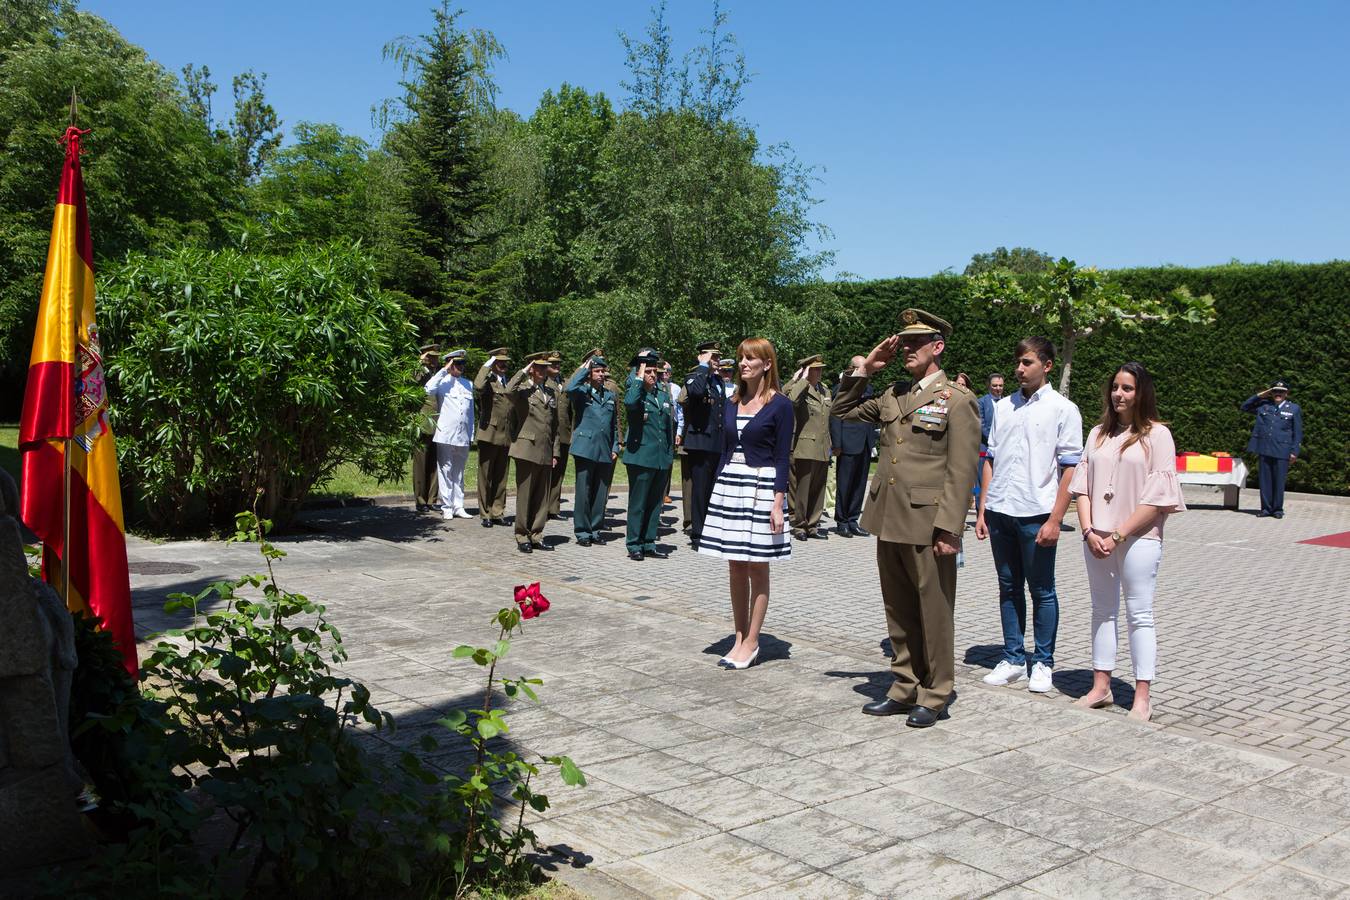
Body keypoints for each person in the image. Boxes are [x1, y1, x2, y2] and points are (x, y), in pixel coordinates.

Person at [833, 309, 980, 727]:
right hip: (889, 516)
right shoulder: (894, 393)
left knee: (933, 611)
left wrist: (951, 528)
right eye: (904, 342)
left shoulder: (957, 399)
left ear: (938, 347)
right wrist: (866, 367)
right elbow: (843, 409)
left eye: (917, 342)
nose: (908, 349)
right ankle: (903, 686)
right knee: (898, 607)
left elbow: (961, 468)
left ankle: (935, 693)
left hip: (929, 521)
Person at [1068, 362, 1185, 722]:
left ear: (1142, 393)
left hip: (1138, 538)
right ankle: (1100, 686)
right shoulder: (1098, 433)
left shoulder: (1158, 435)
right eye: (1116, 387)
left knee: (1140, 615)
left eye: (1128, 388)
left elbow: (1157, 498)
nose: (1120, 394)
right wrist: (1089, 531)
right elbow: (1082, 486)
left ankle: (1142, 697)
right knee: (1102, 611)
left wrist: (1118, 534)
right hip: (1096, 538)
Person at [975, 337, 1083, 693]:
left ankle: (1044, 662)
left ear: (1047, 366)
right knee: (1008, 587)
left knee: (1042, 590)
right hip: (1001, 511)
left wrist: (1055, 519)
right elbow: (989, 459)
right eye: (1018, 363)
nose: (1019, 369)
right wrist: (983, 509)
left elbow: (1070, 468)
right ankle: (1013, 657)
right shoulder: (1002, 407)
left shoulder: (1063, 409)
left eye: (1027, 363)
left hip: (1037, 513)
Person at [699, 338, 794, 670]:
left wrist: (778, 503)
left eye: (750, 358)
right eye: (741, 357)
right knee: (735, 564)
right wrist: (718, 489)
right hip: (731, 486)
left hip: (762, 487)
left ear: (766, 364)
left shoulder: (781, 405)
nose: (743, 363)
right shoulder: (730, 401)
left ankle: (753, 641)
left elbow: (783, 457)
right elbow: (724, 450)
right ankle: (738, 637)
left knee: (757, 565)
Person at [622, 349, 676, 561]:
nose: (654, 375)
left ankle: (648, 542)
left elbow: (668, 428)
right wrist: (638, 377)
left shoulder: (662, 395)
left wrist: (669, 454)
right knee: (639, 503)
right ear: (639, 373)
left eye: (655, 371)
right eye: (649, 371)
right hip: (641, 457)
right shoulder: (636, 394)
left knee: (655, 503)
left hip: (660, 458)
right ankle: (634, 544)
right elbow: (629, 403)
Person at [506, 352, 560, 553]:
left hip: (545, 450)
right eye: (540, 367)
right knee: (525, 495)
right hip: (526, 450)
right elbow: (507, 391)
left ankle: (537, 534)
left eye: (546, 368)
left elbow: (554, 425)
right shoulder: (523, 390)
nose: (544, 371)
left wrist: (555, 453)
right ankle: (522, 536)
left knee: (542, 497)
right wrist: (523, 372)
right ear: (532, 369)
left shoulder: (550, 392)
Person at [566, 350, 618, 546]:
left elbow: (613, 424)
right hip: (585, 447)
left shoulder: (610, 395)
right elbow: (570, 387)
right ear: (590, 373)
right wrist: (585, 367)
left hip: (605, 448)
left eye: (603, 371)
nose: (601, 374)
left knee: (600, 493)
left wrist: (614, 446)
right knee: (583, 491)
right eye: (597, 371)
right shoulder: (582, 392)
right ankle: (582, 532)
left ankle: (595, 530)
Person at [682, 341, 728, 549]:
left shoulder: (717, 380)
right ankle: (698, 534)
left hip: (716, 443)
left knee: (712, 489)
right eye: (713, 357)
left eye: (718, 358)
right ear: (703, 357)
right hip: (700, 442)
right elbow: (696, 393)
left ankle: (710, 530)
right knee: (700, 490)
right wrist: (702, 366)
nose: (717, 362)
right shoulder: (695, 377)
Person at [785, 354, 833, 541]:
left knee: (818, 487)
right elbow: (789, 401)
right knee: (802, 488)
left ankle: (813, 525)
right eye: (815, 369)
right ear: (806, 370)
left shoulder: (825, 390)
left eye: (820, 368)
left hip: (822, 446)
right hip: (804, 445)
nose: (819, 372)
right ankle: (800, 525)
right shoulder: (800, 389)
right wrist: (801, 380)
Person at [830, 356, 879, 537]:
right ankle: (841, 521)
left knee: (859, 484)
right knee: (845, 484)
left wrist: (872, 440)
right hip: (847, 442)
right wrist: (837, 443)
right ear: (851, 369)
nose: (864, 370)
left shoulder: (868, 388)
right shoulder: (842, 389)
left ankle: (853, 519)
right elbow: (834, 416)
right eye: (861, 367)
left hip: (864, 442)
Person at [424, 350, 476, 520]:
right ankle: (446, 506)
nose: (460, 367)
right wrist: (444, 370)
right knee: (445, 470)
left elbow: (470, 413)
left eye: (462, 364)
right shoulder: (441, 382)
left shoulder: (468, 384)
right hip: (446, 434)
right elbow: (427, 389)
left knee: (459, 472)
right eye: (457, 364)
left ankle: (458, 505)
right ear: (450, 364)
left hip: (462, 434)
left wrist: (471, 433)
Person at [1241, 379, 1303, 518]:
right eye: (1275, 391)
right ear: (1271, 393)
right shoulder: (1264, 406)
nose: (1278, 394)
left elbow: (1297, 432)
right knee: (1265, 481)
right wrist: (1261, 395)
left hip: (1282, 450)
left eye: (1281, 392)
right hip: (1265, 448)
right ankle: (1266, 509)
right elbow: (1245, 406)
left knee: (1279, 481)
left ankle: (1277, 509)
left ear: (1286, 393)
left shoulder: (1293, 408)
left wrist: (1294, 452)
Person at [473, 347, 514, 527]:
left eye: (505, 362)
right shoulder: (487, 381)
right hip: (489, 434)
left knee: (501, 476)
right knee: (486, 476)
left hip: (506, 436)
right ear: (493, 363)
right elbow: (477, 386)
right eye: (499, 362)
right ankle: (485, 513)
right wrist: (486, 365)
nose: (504, 365)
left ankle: (498, 512)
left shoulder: (508, 382)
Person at [412, 343, 442, 512]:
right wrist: (420, 363)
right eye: (431, 356)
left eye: (436, 356)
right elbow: (412, 381)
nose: (435, 360)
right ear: (423, 356)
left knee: (433, 464)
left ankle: (431, 499)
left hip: (437, 424)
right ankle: (420, 500)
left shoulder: (438, 374)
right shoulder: (419, 372)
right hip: (422, 424)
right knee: (421, 464)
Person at [547, 351, 572, 518]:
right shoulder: (544, 382)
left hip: (564, 434)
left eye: (558, 363)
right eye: (553, 364)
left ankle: (553, 508)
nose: (557, 366)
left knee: (559, 473)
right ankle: (541, 507)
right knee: (546, 472)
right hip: (548, 434)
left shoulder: (564, 382)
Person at [979, 373, 1005, 454]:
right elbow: (981, 426)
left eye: (1000, 385)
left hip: (1004, 447)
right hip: (986, 446)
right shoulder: (981, 402)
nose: (998, 388)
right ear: (989, 386)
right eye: (995, 385)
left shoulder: (1008, 403)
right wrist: (994, 442)